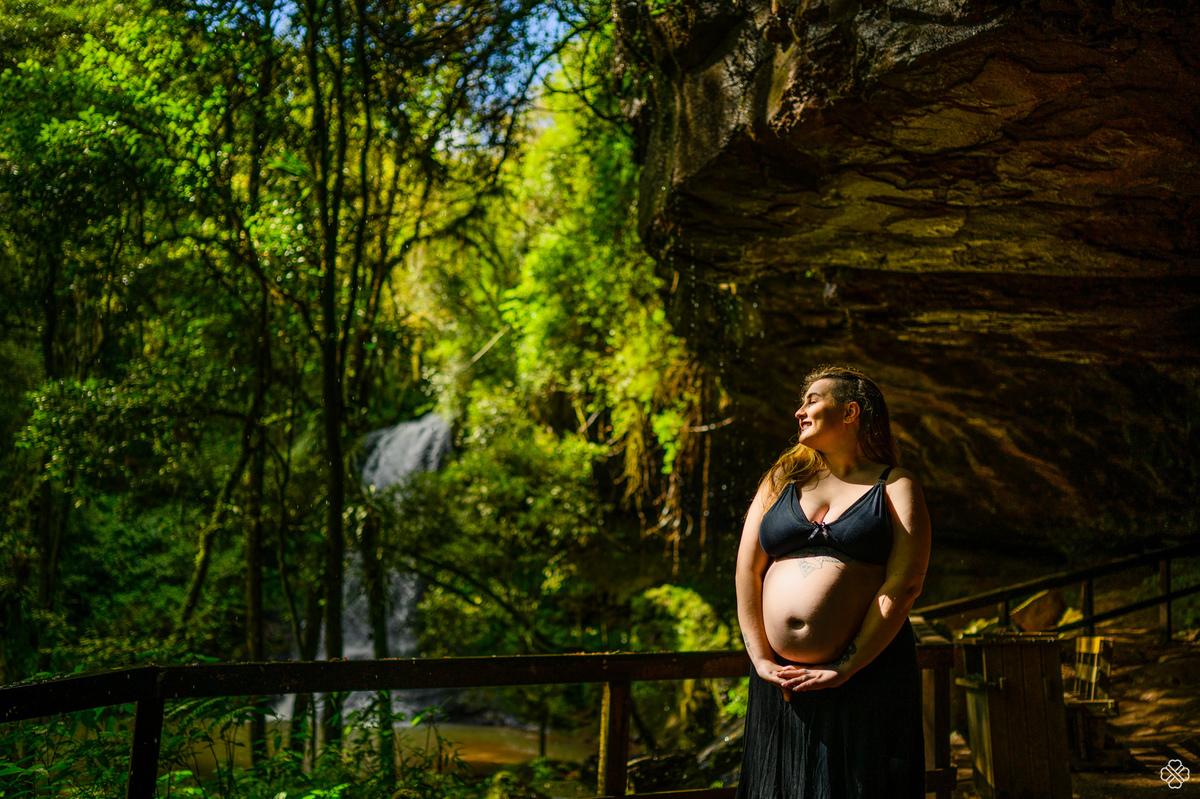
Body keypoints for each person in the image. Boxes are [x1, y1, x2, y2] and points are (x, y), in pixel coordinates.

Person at [734, 365, 931, 799]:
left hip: (866, 674)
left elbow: (905, 584)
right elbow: (747, 571)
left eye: (813, 400)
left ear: (851, 412)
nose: (799, 411)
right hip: (781, 680)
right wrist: (761, 659)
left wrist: (845, 668)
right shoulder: (782, 480)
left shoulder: (895, 485)